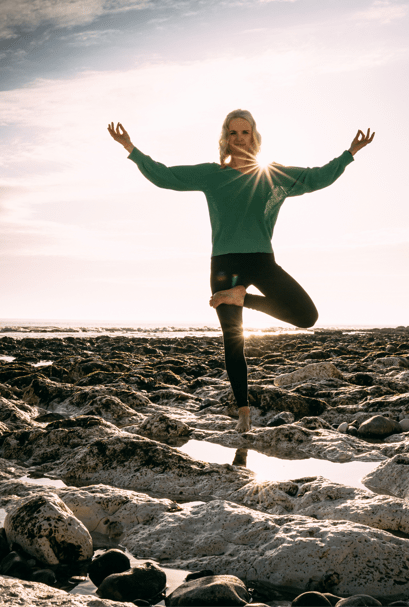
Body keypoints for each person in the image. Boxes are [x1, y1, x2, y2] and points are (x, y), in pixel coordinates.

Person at [107, 110, 374, 432]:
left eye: (244, 132)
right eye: (232, 133)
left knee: (306, 316)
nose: (238, 137)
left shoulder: (273, 174)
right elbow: (166, 177)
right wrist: (131, 149)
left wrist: (349, 154)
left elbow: (317, 177)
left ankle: (240, 298)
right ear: (225, 139)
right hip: (225, 264)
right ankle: (243, 414)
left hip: (260, 260)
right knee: (233, 342)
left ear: (254, 137)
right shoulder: (211, 174)